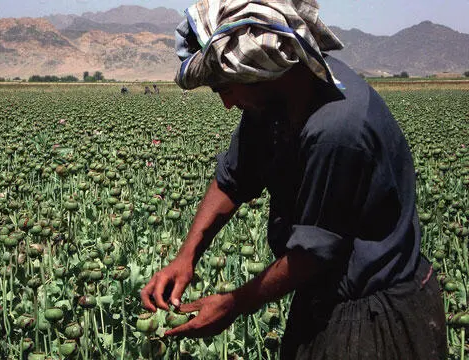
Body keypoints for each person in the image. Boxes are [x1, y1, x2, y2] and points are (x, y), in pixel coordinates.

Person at [140, 0, 447, 359]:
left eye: (226, 89)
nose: (227, 104)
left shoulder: (337, 127)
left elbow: (312, 253)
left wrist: (233, 304)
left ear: (256, 71)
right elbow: (233, 179)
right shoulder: (272, 98)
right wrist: (186, 257)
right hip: (322, 299)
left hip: (376, 316)